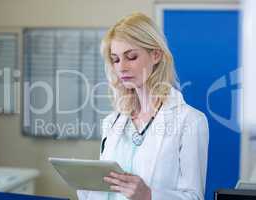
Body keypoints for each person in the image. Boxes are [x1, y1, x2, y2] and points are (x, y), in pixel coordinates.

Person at [77, 12, 209, 200]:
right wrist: (86, 184)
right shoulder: (112, 122)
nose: (121, 67)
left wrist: (148, 195)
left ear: (155, 55)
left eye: (131, 57)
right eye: (115, 59)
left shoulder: (191, 121)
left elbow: (194, 197)